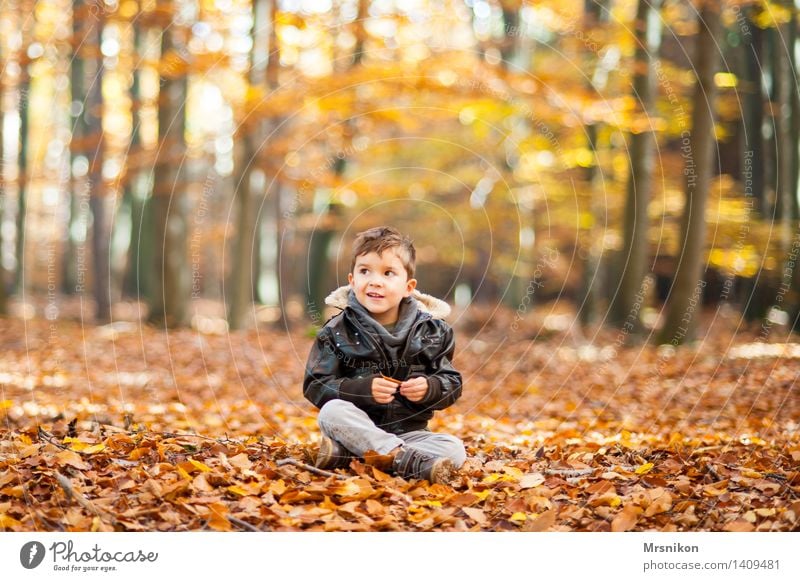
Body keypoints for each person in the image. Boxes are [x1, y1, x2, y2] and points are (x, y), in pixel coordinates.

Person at [303, 226, 466, 484]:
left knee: (454, 449)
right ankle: (402, 460)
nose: (375, 281)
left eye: (388, 273)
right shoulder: (336, 331)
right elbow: (316, 385)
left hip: (410, 433)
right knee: (331, 411)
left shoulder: (434, 332)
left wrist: (430, 387)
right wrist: (361, 389)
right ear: (352, 280)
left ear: (408, 287)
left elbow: (451, 382)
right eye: (365, 271)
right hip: (355, 428)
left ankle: (349, 457)